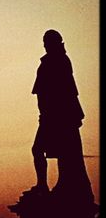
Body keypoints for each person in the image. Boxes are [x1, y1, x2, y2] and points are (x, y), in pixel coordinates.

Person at [30, 29, 94, 203]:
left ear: (54, 42)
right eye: (44, 41)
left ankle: (45, 185)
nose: (44, 44)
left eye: (47, 41)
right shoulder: (56, 60)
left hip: (55, 117)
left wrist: (49, 113)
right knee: (58, 152)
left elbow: (63, 92)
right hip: (51, 116)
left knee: (43, 150)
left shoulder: (59, 61)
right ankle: (45, 185)